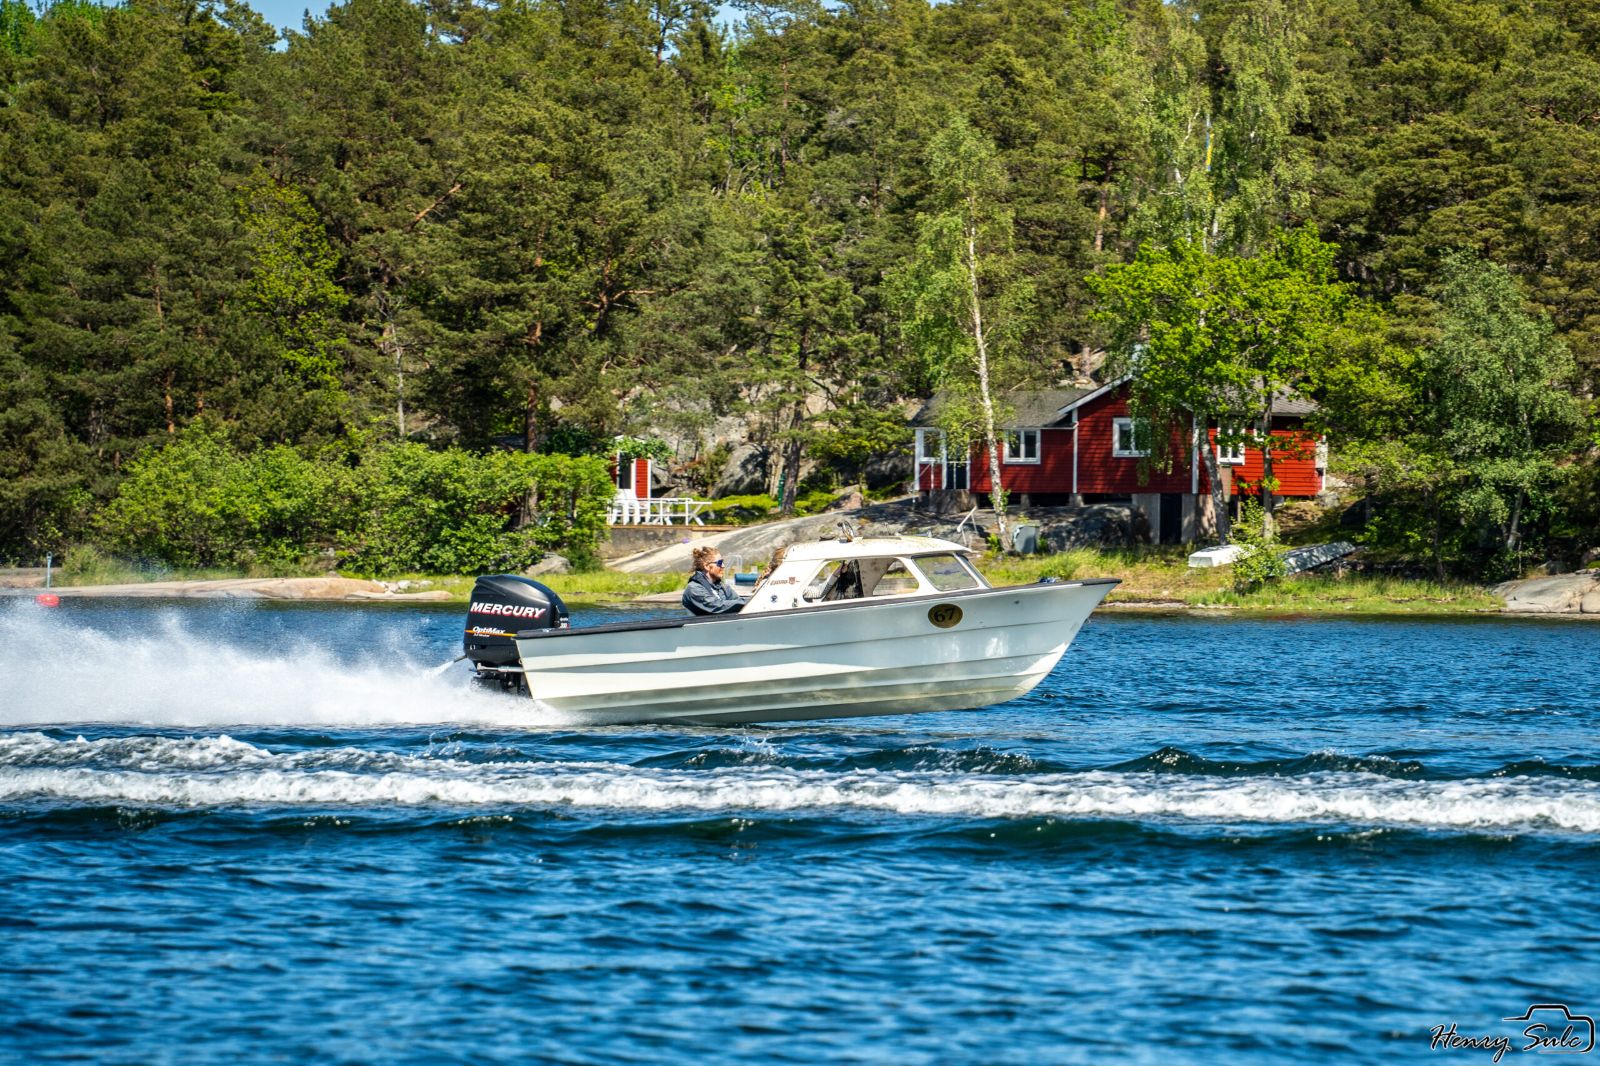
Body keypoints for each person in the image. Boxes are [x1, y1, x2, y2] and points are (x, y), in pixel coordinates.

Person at [682, 545, 744, 615]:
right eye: (720, 563)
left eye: (723, 562)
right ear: (706, 566)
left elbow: (740, 603)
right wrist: (747, 602)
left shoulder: (723, 587)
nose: (723, 566)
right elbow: (716, 606)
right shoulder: (694, 589)